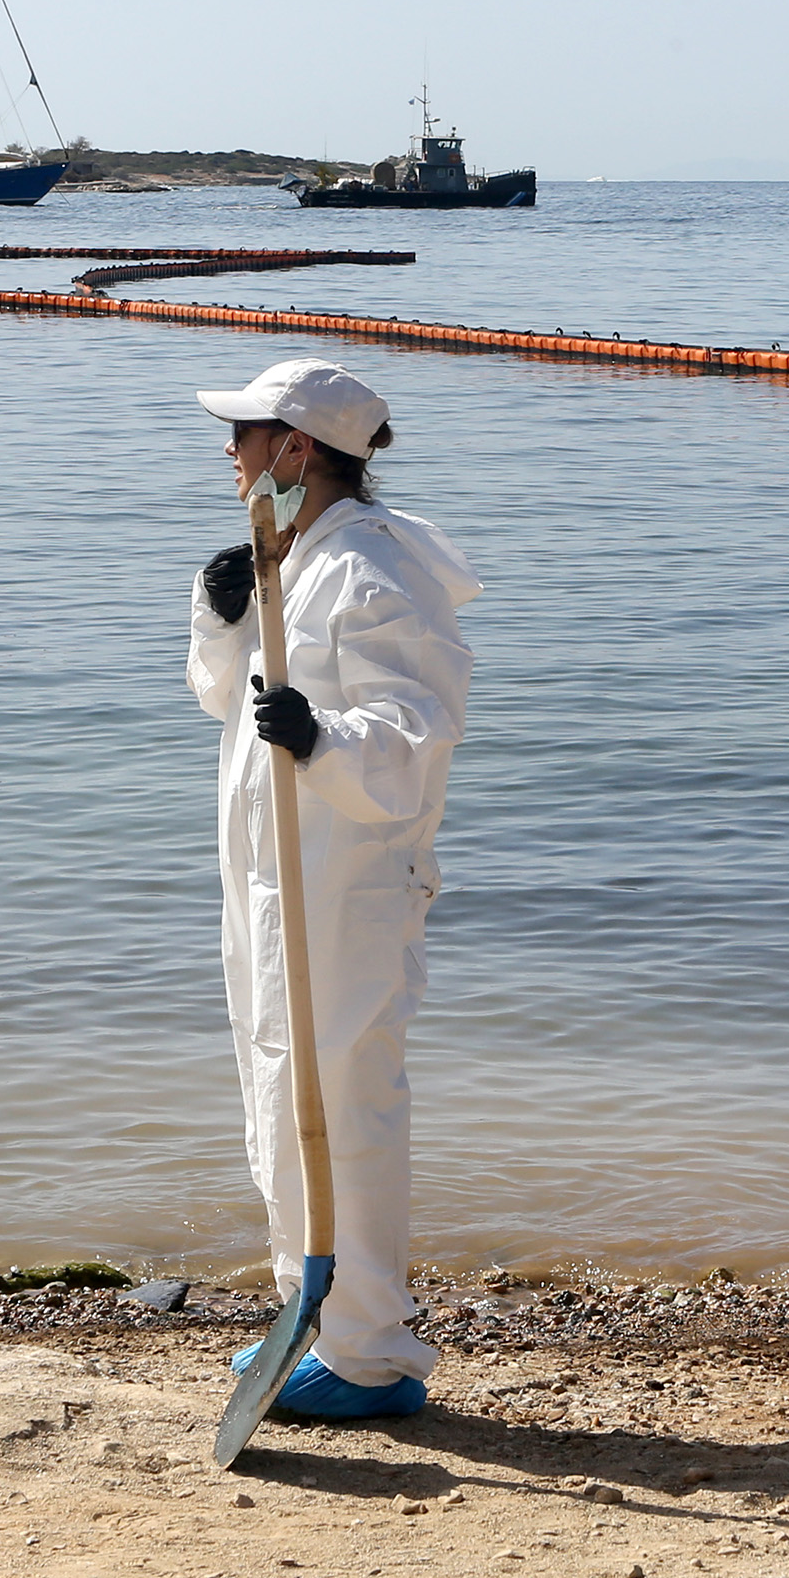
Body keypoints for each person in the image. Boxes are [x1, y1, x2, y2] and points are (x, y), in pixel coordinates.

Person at [189, 359, 480, 1415]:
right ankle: (304, 1308)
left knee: (346, 1101)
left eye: (245, 435)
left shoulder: (375, 568)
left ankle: (372, 1350)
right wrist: (222, 611)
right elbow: (225, 696)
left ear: (297, 450)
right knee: (278, 1088)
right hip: (275, 879)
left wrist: (326, 733)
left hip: (348, 883)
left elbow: (419, 730)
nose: (230, 455)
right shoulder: (291, 555)